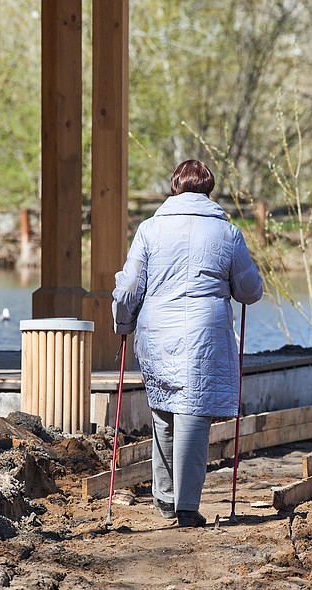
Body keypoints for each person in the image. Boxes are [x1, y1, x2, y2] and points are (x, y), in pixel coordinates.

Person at [112, 159, 263, 528]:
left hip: (156, 331)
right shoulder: (227, 233)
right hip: (204, 333)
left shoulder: (149, 230)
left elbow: (130, 288)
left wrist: (122, 323)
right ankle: (186, 506)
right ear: (209, 190)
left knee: (163, 409)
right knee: (193, 414)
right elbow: (250, 290)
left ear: (174, 187)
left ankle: (165, 498)